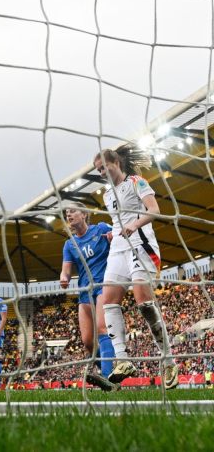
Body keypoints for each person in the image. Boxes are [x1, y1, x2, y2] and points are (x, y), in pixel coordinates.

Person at [94, 147, 179, 388]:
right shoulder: (107, 194)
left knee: (144, 304)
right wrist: (113, 233)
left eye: (104, 167)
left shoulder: (136, 182)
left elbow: (154, 210)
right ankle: (123, 360)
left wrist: (134, 224)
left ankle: (168, 361)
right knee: (109, 301)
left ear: (116, 162)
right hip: (118, 249)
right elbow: (117, 222)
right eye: (98, 170)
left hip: (141, 244)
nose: (101, 172)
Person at [58, 203, 116, 388]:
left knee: (102, 329)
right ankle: (109, 370)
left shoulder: (101, 228)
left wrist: (114, 237)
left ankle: (107, 377)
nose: (69, 215)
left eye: (72, 211)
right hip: (84, 291)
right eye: (67, 213)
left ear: (84, 214)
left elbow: (121, 236)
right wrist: (64, 278)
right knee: (87, 342)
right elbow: (65, 271)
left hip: (103, 285)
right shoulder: (69, 244)